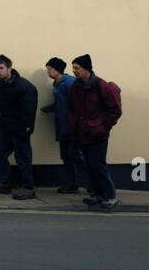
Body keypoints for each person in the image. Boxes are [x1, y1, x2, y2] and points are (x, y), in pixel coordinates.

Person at [68, 54, 121, 209]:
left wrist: (102, 127)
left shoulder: (102, 86)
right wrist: (74, 125)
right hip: (82, 133)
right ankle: (97, 194)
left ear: (87, 69)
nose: (74, 71)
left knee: (98, 164)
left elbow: (115, 110)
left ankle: (110, 195)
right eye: (73, 68)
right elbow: (73, 109)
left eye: (77, 68)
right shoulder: (76, 87)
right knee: (89, 165)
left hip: (98, 134)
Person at [0, 54, 38, 199]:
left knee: (23, 158)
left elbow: (29, 111)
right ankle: (4, 183)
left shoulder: (24, 86)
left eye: (1, 68)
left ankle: (29, 188)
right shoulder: (0, 83)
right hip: (5, 128)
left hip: (20, 129)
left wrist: (26, 129)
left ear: (10, 68)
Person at [41, 56, 82, 193]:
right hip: (62, 127)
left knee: (76, 156)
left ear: (57, 70)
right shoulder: (57, 84)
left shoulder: (69, 83)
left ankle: (94, 183)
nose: (48, 72)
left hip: (72, 127)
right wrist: (51, 107)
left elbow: (77, 104)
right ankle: (72, 184)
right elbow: (63, 103)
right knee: (66, 156)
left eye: (49, 69)